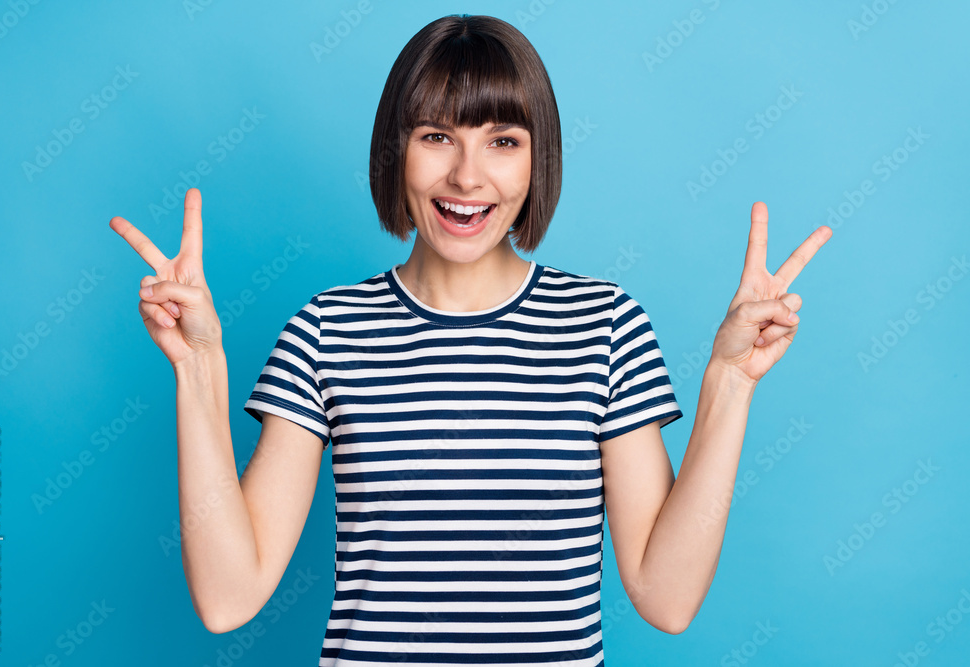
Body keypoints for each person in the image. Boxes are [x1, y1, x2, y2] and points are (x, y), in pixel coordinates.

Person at [110, 13, 831, 666]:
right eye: (436, 136)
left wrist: (730, 384)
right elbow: (228, 596)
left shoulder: (606, 325)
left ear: (536, 158)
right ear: (396, 150)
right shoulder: (325, 331)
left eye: (502, 142)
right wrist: (197, 370)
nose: (466, 175)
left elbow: (666, 598)